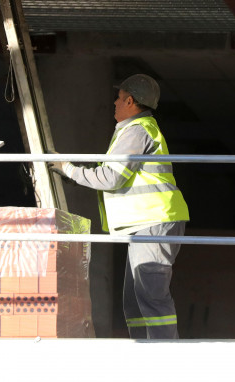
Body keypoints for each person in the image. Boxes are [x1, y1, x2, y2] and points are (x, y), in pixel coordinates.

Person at [52, 73, 189, 339]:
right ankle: (141, 348)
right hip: (147, 223)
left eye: (118, 97)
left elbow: (111, 178)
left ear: (130, 101)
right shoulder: (134, 130)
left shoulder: (137, 130)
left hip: (154, 221)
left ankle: (163, 354)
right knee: (134, 300)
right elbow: (114, 176)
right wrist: (77, 177)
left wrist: (69, 169)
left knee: (150, 294)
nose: (114, 103)